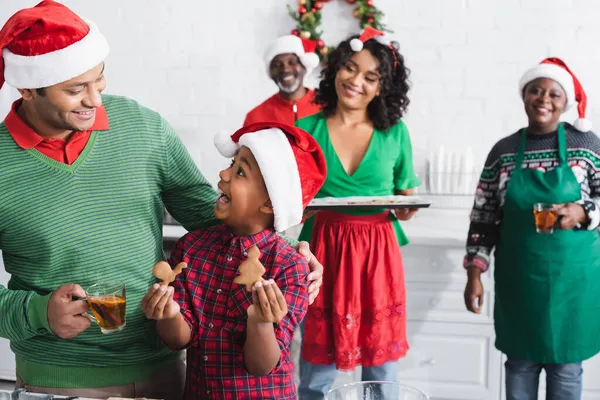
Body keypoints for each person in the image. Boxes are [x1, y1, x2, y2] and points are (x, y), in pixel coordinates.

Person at [0, 1, 324, 398]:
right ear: (29, 87)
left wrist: (287, 254)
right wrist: (39, 313)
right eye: (75, 89)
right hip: (58, 380)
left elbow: (215, 218)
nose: (95, 100)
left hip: (165, 372)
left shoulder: (143, 128)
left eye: (99, 80)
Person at [142, 122, 327, 399]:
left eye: (240, 171)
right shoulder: (190, 249)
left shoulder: (289, 267)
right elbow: (180, 339)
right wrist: (168, 314)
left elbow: (261, 366)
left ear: (269, 203)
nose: (223, 173)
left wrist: (261, 323)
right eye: (232, 162)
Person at [463, 57, 600, 400]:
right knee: (520, 365)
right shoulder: (504, 151)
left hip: (574, 282)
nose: (544, 99)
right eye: (536, 91)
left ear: (565, 102)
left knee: (566, 368)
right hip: (521, 281)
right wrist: (475, 273)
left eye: (554, 94)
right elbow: (484, 215)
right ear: (524, 96)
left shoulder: (587, 146)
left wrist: (582, 211)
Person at [296, 27, 421, 399]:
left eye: (371, 77)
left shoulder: (395, 132)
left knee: (381, 370)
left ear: (383, 87)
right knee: (316, 374)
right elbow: (290, 200)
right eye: (350, 68)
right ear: (335, 69)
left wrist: (407, 207)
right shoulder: (306, 130)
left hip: (377, 255)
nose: (356, 81)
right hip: (322, 251)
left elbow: (407, 203)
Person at [243, 35, 321, 126]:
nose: (285, 69)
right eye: (276, 65)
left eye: (291, 62)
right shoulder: (255, 119)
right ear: (270, 72)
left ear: (304, 66)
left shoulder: (327, 106)